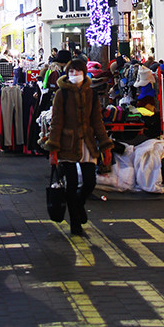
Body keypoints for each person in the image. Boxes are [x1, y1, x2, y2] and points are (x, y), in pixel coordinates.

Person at [45, 56, 113, 236]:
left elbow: (97, 121)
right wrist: (53, 149)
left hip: (87, 143)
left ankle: (79, 204)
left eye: (78, 71)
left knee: (90, 182)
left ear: (84, 73)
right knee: (72, 183)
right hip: (67, 144)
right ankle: (75, 224)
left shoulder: (91, 94)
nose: (74, 74)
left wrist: (105, 145)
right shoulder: (61, 94)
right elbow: (56, 122)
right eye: (71, 71)